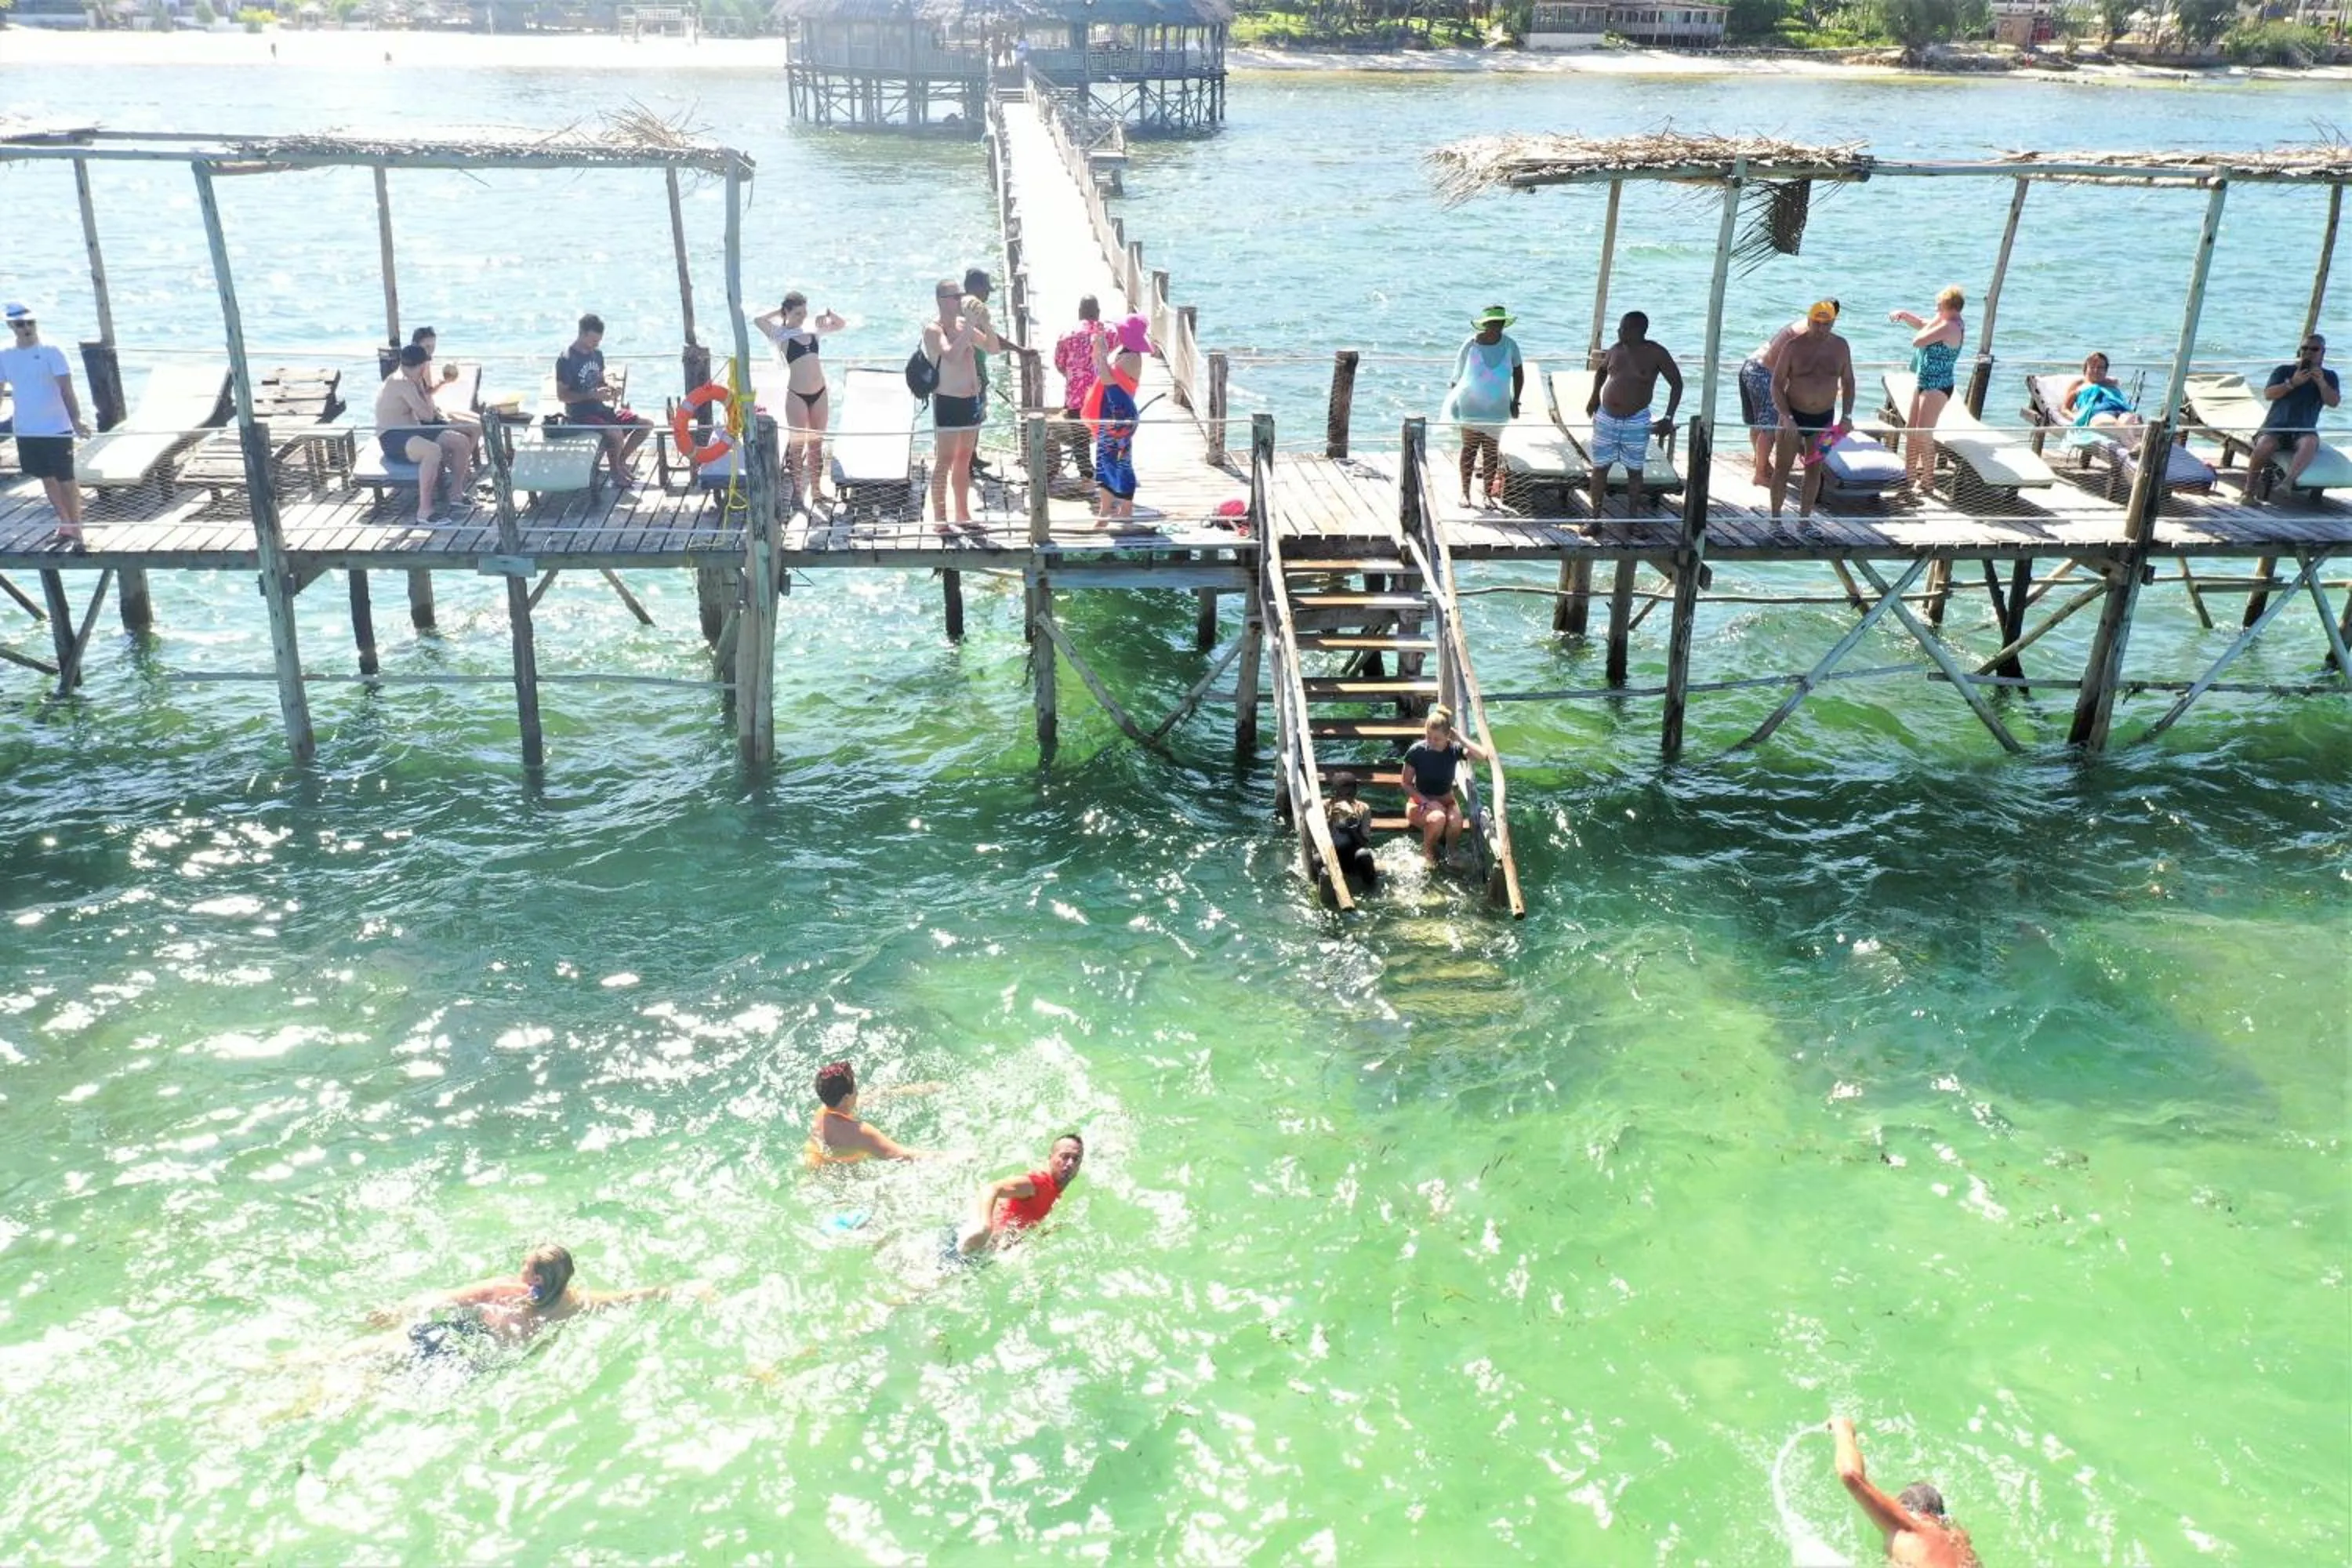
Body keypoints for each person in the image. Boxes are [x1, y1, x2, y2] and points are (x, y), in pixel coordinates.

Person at [364, 1243, 712, 1359]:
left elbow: (439, 1300)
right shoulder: (575, 1305)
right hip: (474, 1364)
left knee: (361, 1356)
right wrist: (685, 1288)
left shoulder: (502, 1290)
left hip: (448, 1338)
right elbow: (633, 1297)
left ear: (536, 1279)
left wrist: (395, 1312)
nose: (520, 1270)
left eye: (525, 1266)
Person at [1830, 1416, 1981, 1566]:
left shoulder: (1909, 1528)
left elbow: (1850, 1475)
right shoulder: (1960, 1542)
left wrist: (1843, 1429)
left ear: (1905, 1511)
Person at [0, 303, 90, 546]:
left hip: (56, 428)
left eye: (31, 322)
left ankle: (77, 527)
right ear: (11, 325)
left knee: (66, 479)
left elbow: (67, 390)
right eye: (21, 324)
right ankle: (65, 524)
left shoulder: (52, 350)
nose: (27, 327)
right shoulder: (4, 353)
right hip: (27, 429)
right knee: (46, 478)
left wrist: (76, 420)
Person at [1583, 310, 1682, 523]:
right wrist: (1594, 398)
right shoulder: (1615, 350)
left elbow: (1677, 383)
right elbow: (1601, 371)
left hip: (1636, 419)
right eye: (1620, 327)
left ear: (1639, 330)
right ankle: (1595, 518)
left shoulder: (1656, 353)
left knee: (1634, 470)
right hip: (1607, 418)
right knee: (1599, 468)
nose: (1619, 331)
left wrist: (1668, 417)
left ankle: (1632, 520)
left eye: (1625, 328)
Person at [1769, 300, 1857, 528]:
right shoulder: (1793, 347)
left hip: (1824, 420)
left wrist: (1847, 416)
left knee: (1814, 469)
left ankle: (1805, 521)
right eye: (1816, 323)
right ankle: (1775, 520)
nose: (1820, 328)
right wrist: (1786, 416)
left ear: (1833, 322)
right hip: (1793, 417)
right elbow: (1777, 384)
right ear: (1809, 320)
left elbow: (1848, 381)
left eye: (1826, 324)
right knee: (1782, 468)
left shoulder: (1841, 347)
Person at [753, 292, 847, 506]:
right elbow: (758, 321)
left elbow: (841, 324)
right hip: (797, 395)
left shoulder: (812, 328)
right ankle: (798, 491)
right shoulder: (779, 334)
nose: (802, 317)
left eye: (804, 312)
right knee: (798, 446)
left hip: (820, 392)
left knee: (816, 443)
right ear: (787, 312)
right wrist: (780, 312)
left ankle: (816, 490)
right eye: (797, 313)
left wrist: (828, 313)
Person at [1740, 299, 1838, 485]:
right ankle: (1760, 474)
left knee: (1758, 422)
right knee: (1771, 426)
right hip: (1764, 373)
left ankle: (1760, 462)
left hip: (1751, 365)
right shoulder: (1808, 332)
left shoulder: (1804, 323)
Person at [374, 343, 474, 524]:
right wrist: (425, 393)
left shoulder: (411, 379)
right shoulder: (401, 382)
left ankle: (456, 494)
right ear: (422, 366)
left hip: (412, 431)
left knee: (460, 442)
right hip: (393, 436)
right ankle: (425, 512)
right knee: (432, 450)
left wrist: (425, 390)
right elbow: (426, 416)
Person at [554, 312, 651, 492]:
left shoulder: (597, 354)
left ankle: (620, 462)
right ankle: (615, 472)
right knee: (615, 433)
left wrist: (610, 389)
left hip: (601, 409)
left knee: (645, 425)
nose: (595, 345)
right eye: (593, 341)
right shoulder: (567, 359)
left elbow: (600, 381)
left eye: (598, 341)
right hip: (580, 414)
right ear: (582, 334)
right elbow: (563, 396)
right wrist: (592, 395)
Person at [923, 278, 989, 535]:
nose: (959, 300)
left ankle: (963, 514)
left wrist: (986, 324)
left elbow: (992, 347)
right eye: (954, 296)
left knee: (963, 460)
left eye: (960, 295)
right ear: (941, 300)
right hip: (948, 400)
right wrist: (969, 327)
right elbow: (950, 355)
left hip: (970, 400)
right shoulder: (933, 329)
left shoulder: (963, 325)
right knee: (945, 460)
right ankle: (941, 519)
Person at [1442, 305, 1524, 510]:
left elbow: (1519, 373)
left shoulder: (1510, 345)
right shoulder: (1470, 345)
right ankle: (1465, 493)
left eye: (1499, 323)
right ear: (1485, 324)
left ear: (1504, 324)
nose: (1496, 327)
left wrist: (1516, 401)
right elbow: (1456, 378)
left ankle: (1487, 495)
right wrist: (1454, 404)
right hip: (1471, 406)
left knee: (1490, 451)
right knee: (1469, 449)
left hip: (1498, 408)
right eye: (1492, 323)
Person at [2241, 332, 2339, 502]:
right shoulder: (2284, 371)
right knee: (2265, 445)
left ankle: (2287, 484)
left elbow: (2333, 402)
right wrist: (2292, 383)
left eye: (2314, 349)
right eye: (2304, 348)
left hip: (2304, 429)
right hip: (2275, 426)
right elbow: (2268, 394)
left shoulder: (2329, 376)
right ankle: (2248, 492)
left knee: (2310, 442)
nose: (2308, 352)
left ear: (2323, 352)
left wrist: (2321, 383)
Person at [954, 1134, 1084, 1258]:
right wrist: (985, 1227)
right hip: (969, 1241)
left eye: (1076, 1159)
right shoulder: (1038, 1183)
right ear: (1050, 1158)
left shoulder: (1055, 1190)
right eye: (1065, 1157)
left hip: (987, 1250)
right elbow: (990, 1189)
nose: (1070, 1163)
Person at [1888, 286, 1965, 488]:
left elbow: (1918, 339)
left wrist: (1929, 323)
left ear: (1950, 307)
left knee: (1923, 432)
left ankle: (1928, 480)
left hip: (1938, 386)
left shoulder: (1951, 326)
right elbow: (1922, 324)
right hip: (1924, 382)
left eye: (1939, 306)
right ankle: (1909, 475)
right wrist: (1905, 316)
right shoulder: (1942, 321)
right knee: (1911, 429)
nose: (1936, 309)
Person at [1398, 704, 1492, 868]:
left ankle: (1452, 852)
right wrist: (1426, 802)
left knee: (1456, 821)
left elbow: (1483, 755)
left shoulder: (1454, 750)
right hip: (1419, 803)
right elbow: (1405, 784)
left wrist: (1461, 738)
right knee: (1438, 818)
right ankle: (1427, 852)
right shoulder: (1416, 751)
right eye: (1428, 736)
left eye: (1437, 738)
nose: (1431, 742)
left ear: (1448, 736)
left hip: (1447, 802)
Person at [806, 1060, 926, 1165]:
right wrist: (943, 1157)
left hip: (816, 1165)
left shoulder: (822, 1113)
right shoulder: (860, 1132)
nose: (857, 1091)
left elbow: (867, 1099)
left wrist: (906, 1091)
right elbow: (901, 1155)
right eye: (855, 1087)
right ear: (846, 1098)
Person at [1089, 314, 1149, 524]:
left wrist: (1103, 356)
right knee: (1104, 461)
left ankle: (1125, 510)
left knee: (1121, 462)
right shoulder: (1123, 352)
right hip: (1112, 413)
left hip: (1120, 417)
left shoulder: (1132, 358)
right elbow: (1101, 370)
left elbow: (1108, 381)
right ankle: (1104, 511)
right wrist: (1099, 346)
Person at [1051, 294, 1105, 495]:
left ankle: (1086, 477)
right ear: (1098, 314)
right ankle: (1106, 475)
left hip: (1075, 397)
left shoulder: (1066, 334)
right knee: (1105, 435)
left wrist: (1073, 375)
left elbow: (1059, 363)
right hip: (1100, 394)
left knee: (1079, 438)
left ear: (1079, 313)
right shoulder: (1104, 332)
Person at [406, 324, 482, 460]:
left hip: (434, 411)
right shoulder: (411, 369)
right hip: (425, 421)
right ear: (414, 345)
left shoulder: (426, 362)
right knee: (475, 429)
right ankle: (458, 464)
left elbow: (428, 391)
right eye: (427, 347)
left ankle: (459, 461)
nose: (430, 352)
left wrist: (443, 382)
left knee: (480, 423)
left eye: (433, 347)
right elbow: (418, 400)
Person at [1321, 771, 1379, 895]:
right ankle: (1318, 886)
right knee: (1317, 859)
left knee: (1364, 855)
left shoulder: (1363, 808)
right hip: (1332, 852)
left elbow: (1364, 842)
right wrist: (1331, 820)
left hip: (1352, 854)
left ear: (1355, 793)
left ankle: (1371, 887)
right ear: (1333, 792)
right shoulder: (1325, 806)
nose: (1342, 798)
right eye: (1338, 794)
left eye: (1348, 794)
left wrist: (1351, 828)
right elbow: (1319, 838)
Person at [2060, 351, 2143, 432]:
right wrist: (2075, 417)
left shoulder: (2110, 383)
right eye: (2092, 367)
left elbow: (2116, 383)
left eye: (2100, 368)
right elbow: (2064, 409)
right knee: (2112, 424)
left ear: (2105, 371)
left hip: (2121, 411)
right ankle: (2133, 442)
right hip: (2099, 415)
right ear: (2085, 369)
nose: (2096, 370)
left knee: (2133, 421)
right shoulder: (2079, 385)